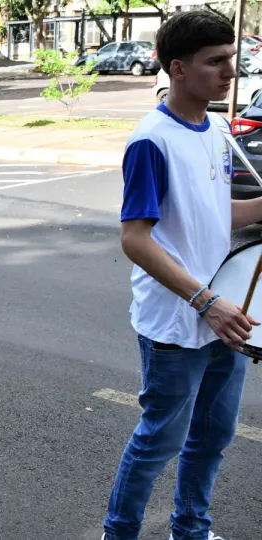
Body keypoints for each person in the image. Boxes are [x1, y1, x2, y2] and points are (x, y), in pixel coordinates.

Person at [102, 10, 262, 540]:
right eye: (216, 62)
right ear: (178, 68)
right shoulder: (152, 140)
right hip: (178, 319)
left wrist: (260, 205)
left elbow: (213, 213)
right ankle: (118, 533)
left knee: (215, 435)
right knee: (159, 442)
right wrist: (204, 301)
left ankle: (190, 529)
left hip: (224, 314)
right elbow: (136, 237)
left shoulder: (216, 126)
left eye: (231, 59)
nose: (230, 72)